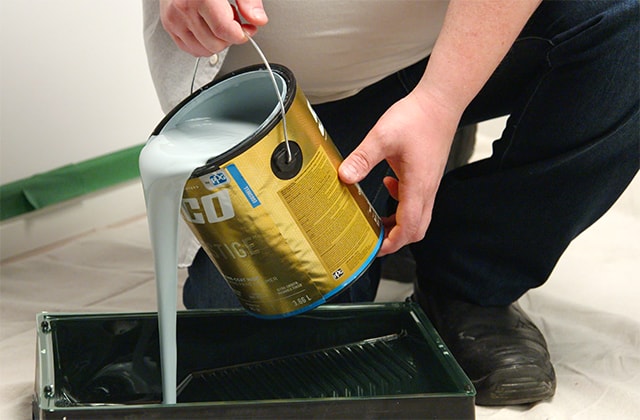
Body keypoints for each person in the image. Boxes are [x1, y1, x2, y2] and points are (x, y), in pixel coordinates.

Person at [143, 0, 639, 406]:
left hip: (453, 49)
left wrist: (440, 101)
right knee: (281, 349)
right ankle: (398, 176)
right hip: (283, 107)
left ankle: (471, 278)